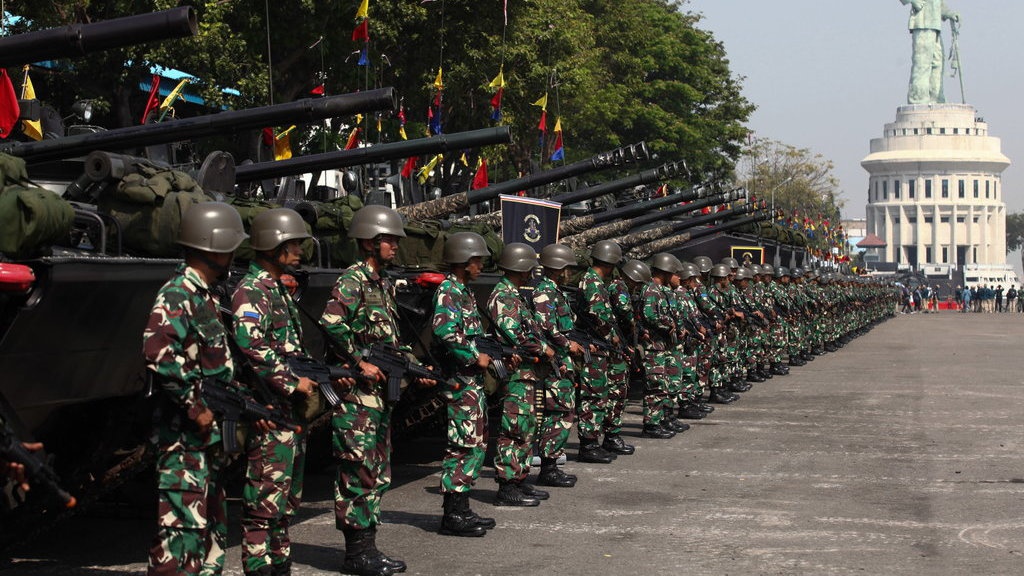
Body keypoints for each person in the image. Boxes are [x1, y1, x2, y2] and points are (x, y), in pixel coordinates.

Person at [142, 202, 248, 576]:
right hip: (183, 440)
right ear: (214, 247)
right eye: (232, 245)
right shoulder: (178, 293)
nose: (234, 253)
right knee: (180, 537)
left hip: (205, 441)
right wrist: (195, 405)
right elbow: (158, 353)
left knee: (209, 532)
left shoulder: (206, 295)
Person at [321, 205, 417, 574]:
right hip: (357, 397)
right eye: (389, 240)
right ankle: (356, 553)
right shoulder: (353, 281)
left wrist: (410, 364)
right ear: (369, 243)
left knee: (377, 471)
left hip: (378, 397)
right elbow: (332, 323)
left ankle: (368, 546)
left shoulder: (382, 283)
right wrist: (360, 361)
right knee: (357, 470)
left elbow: (388, 338)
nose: (395, 246)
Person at [231, 208, 318, 576]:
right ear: (271, 245)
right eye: (291, 244)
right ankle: (258, 565)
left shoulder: (276, 288)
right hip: (269, 407)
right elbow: (250, 343)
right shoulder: (253, 290)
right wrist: (290, 380)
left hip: (287, 411)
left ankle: (279, 562)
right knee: (264, 497)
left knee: (285, 498)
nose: (298, 251)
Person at [431, 232, 496, 537]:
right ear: (463, 261)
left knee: (475, 443)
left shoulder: (464, 291)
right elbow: (445, 332)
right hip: (459, 381)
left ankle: (462, 508)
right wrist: (473, 356)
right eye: (476, 259)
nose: (480, 264)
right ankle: (452, 515)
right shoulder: (449, 291)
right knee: (462, 445)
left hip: (470, 381)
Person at [487, 243, 555, 506]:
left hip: (527, 373)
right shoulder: (503, 296)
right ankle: (507, 486)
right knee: (513, 429)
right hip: (516, 373)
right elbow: (514, 334)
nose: (530, 273)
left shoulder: (514, 295)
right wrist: (544, 348)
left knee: (525, 428)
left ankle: (519, 479)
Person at [532, 244, 585, 488]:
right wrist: (567, 344)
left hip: (561, 359)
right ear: (560, 267)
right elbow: (545, 326)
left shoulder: (554, 290)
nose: (570, 273)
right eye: (567, 268)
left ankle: (551, 464)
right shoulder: (545, 291)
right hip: (555, 361)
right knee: (559, 413)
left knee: (564, 411)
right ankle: (548, 467)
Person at [898, 0, 960, 105]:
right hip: (922, 24)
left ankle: (935, 98)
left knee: (937, 63)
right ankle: (918, 99)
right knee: (922, 63)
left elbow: (938, 3)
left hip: (934, 26)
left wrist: (949, 13)